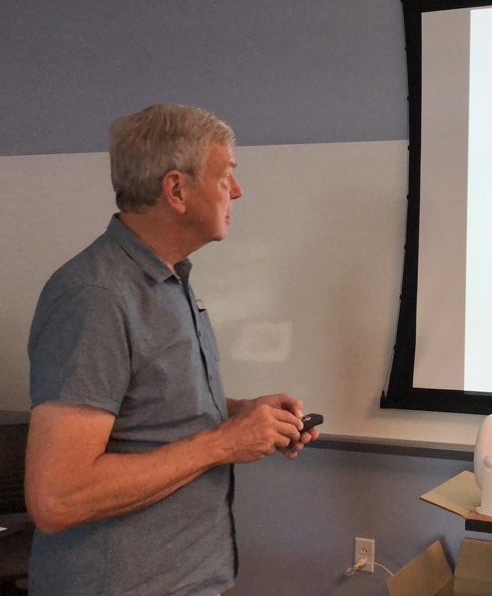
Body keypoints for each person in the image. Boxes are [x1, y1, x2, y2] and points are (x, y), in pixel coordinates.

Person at [24, 104, 317, 596]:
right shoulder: (96, 298)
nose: (238, 192)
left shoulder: (167, 280)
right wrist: (225, 442)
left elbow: (146, 408)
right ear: (176, 190)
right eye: (226, 178)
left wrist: (245, 415)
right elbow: (58, 499)